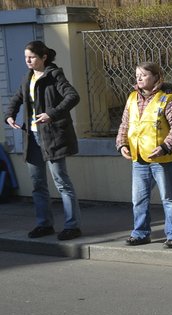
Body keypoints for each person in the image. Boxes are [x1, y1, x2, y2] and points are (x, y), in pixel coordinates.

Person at [4, 40, 82, 240]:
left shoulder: (54, 75)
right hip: (32, 137)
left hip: (52, 136)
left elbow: (72, 96)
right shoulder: (28, 78)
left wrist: (52, 114)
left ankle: (72, 226)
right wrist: (10, 114)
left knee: (62, 182)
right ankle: (44, 224)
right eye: (26, 58)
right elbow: (17, 98)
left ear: (44, 57)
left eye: (32, 57)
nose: (28, 61)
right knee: (38, 184)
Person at [115, 62, 172, 249]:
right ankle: (140, 233)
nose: (139, 78)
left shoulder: (169, 98)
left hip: (162, 158)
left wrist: (165, 146)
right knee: (138, 198)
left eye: (144, 75)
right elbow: (125, 124)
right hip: (138, 157)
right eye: (137, 74)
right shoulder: (132, 98)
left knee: (169, 198)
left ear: (156, 77)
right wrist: (121, 144)